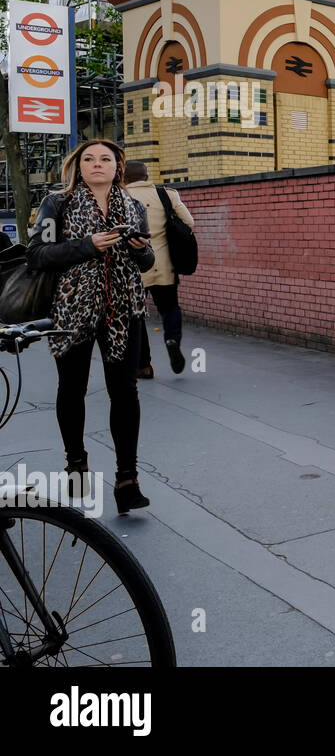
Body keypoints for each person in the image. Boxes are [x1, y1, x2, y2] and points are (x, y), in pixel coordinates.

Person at [27, 139, 156, 516]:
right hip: (72, 309)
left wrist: (137, 248)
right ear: (78, 166)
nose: (97, 164)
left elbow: (147, 262)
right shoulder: (58, 202)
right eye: (89, 159)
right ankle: (77, 465)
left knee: (125, 391)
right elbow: (37, 255)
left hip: (123, 310)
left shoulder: (133, 205)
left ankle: (127, 479)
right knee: (72, 388)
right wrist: (88, 245)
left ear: (118, 166)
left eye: (106, 159)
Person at [124, 161, 195, 378]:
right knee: (170, 307)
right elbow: (189, 222)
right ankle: (172, 339)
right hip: (164, 265)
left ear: (123, 178)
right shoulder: (166, 194)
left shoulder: (119, 196)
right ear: (146, 176)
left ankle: (143, 365)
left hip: (132, 269)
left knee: (134, 316)